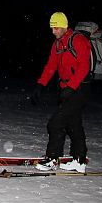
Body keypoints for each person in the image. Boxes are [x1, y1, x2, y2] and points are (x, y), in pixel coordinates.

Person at [31, 12, 91, 173]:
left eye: (56, 28)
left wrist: (71, 87)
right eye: (52, 28)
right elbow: (51, 66)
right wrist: (40, 85)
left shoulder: (78, 40)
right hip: (66, 89)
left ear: (64, 26)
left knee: (55, 123)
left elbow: (84, 67)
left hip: (79, 89)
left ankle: (52, 158)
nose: (53, 32)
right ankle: (79, 161)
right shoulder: (57, 44)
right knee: (73, 125)